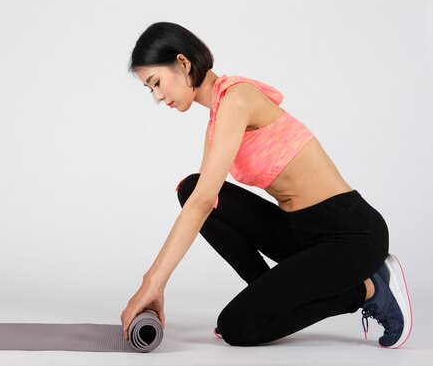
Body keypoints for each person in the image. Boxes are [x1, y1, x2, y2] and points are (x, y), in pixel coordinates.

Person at [120, 22, 412, 348]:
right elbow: (201, 197)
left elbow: (203, 203)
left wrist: (153, 283)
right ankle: (266, 297)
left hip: (350, 235)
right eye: (151, 89)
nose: (159, 96)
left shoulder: (238, 99)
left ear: (183, 63)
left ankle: (369, 289)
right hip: (300, 233)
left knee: (237, 328)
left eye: (157, 82)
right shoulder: (218, 117)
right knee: (192, 187)